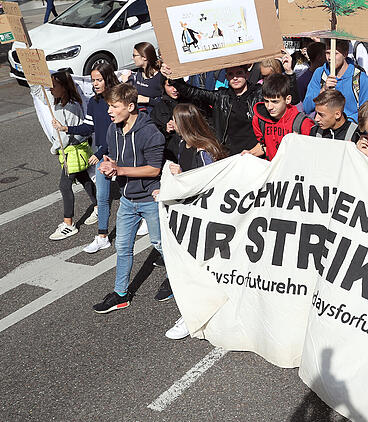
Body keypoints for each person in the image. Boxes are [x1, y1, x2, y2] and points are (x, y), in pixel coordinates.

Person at [94, 83, 167, 313]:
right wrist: (109, 165)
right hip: (127, 200)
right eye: (109, 106)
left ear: (131, 106)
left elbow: (154, 170)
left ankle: (187, 281)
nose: (109, 111)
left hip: (150, 200)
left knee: (162, 246)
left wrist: (120, 171)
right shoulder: (112, 129)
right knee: (123, 247)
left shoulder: (151, 132)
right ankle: (121, 294)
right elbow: (115, 159)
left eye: (114, 106)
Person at [163, 102, 228, 340]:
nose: (171, 124)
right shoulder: (183, 144)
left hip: (206, 219)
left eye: (174, 120)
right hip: (190, 216)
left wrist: (183, 178)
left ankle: (195, 315)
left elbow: (209, 184)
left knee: (203, 270)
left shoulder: (205, 151)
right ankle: (194, 313)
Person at [55, 63, 120, 252]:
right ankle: (102, 236)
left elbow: (116, 130)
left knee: (130, 193)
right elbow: (88, 128)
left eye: (99, 80)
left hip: (120, 153)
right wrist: (66, 129)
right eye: (93, 80)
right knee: (102, 195)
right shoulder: (93, 102)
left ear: (108, 79)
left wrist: (99, 153)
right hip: (103, 154)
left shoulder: (117, 100)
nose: (95, 84)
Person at [41, 71, 98, 241]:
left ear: (64, 87)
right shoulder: (60, 102)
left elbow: (66, 135)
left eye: (54, 86)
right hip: (73, 150)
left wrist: (55, 148)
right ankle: (98, 206)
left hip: (72, 151)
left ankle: (69, 224)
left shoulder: (71, 106)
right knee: (83, 178)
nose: (50, 89)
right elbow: (41, 95)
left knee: (64, 186)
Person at [163, 63, 263, 156]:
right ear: (226, 77)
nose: (235, 78)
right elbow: (192, 92)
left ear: (247, 74)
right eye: (231, 74)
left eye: (239, 73)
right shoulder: (220, 97)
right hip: (229, 154)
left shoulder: (260, 94)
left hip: (256, 152)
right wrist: (173, 76)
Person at [302, 39, 368, 122]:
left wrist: (345, 123)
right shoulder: (320, 73)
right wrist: (323, 91)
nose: (330, 58)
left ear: (345, 53)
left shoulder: (360, 78)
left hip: (351, 130)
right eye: (327, 53)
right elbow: (307, 107)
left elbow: (367, 112)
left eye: (335, 53)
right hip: (324, 129)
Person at [251, 73, 316, 159]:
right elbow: (264, 146)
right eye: (266, 101)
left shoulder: (303, 123)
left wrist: (299, 145)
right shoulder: (259, 120)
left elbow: (312, 153)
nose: (269, 107)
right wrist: (249, 153)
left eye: (275, 102)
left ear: (288, 99)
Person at [120, 42, 164, 111]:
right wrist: (126, 82)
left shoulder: (160, 77)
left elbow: (167, 103)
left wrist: (148, 100)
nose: (132, 58)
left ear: (144, 57)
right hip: (139, 113)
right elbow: (134, 92)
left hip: (154, 115)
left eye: (134, 55)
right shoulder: (140, 72)